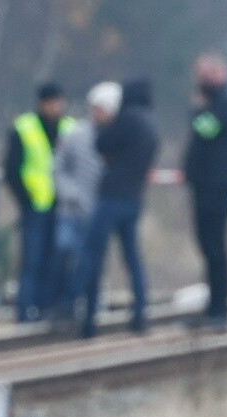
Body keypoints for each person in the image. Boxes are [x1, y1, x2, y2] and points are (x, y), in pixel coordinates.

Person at [83, 75, 159, 334]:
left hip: (112, 197)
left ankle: (89, 320)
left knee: (93, 257)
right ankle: (140, 315)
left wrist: (106, 127)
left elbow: (101, 143)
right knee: (133, 258)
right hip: (135, 198)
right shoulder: (151, 124)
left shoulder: (128, 119)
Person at [182, 55, 227, 330]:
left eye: (208, 75)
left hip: (218, 187)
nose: (203, 81)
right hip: (203, 185)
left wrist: (197, 111)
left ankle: (221, 309)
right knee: (207, 247)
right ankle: (212, 307)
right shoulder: (215, 104)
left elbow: (206, 129)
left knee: (216, 247)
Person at [4, 84, 68, 322]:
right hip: (35, 208)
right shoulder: (24, 127)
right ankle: (25, 312)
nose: (58, 107)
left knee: (56, 261)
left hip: (62, 208)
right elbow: (11, 170)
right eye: (54, 102)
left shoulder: (70, 128)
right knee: (31, 261)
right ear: (43, 103)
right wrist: (26, 200)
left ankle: (47, 309)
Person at [51, 88, 107, 330]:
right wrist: (69, 193)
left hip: (98, 213)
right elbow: (58, 168)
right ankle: (61, 304)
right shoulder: (76, 134)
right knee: (64, 253)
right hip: (71, 210)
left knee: (89, 262)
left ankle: (83, 306)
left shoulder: (115, 137)